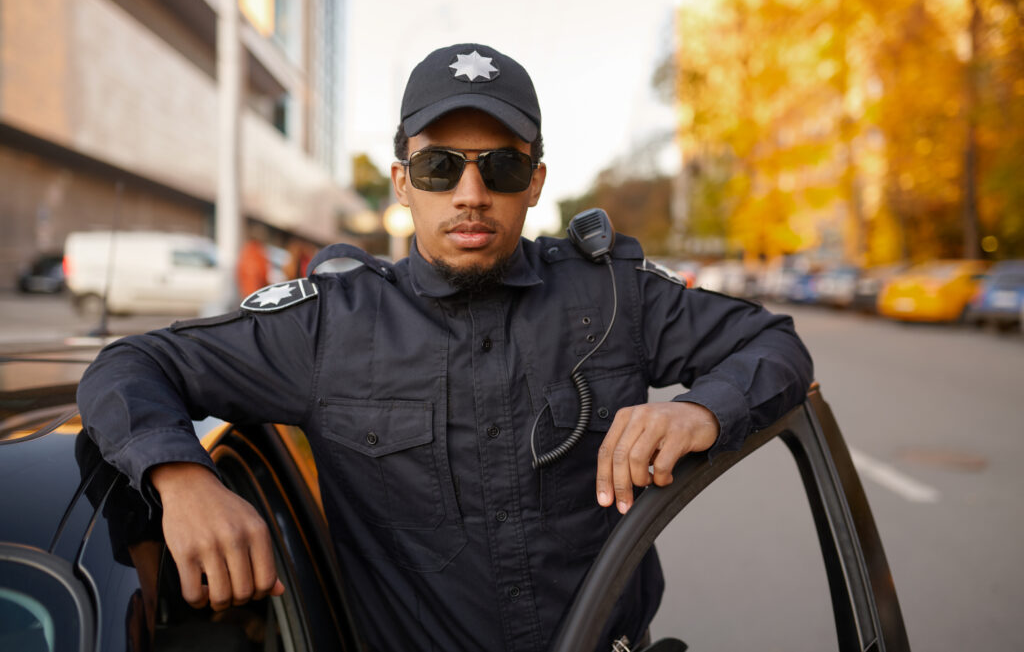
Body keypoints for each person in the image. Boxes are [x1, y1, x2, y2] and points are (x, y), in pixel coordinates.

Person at [78, 43, 813, 651]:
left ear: (536, 184)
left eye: (501, 167)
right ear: (402, 182)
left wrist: (701, 411)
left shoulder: (612, 295)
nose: (470, 191)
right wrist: (181, 476)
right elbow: (129, 365)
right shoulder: (328, 324)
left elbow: (772, 344)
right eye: (440, 167)